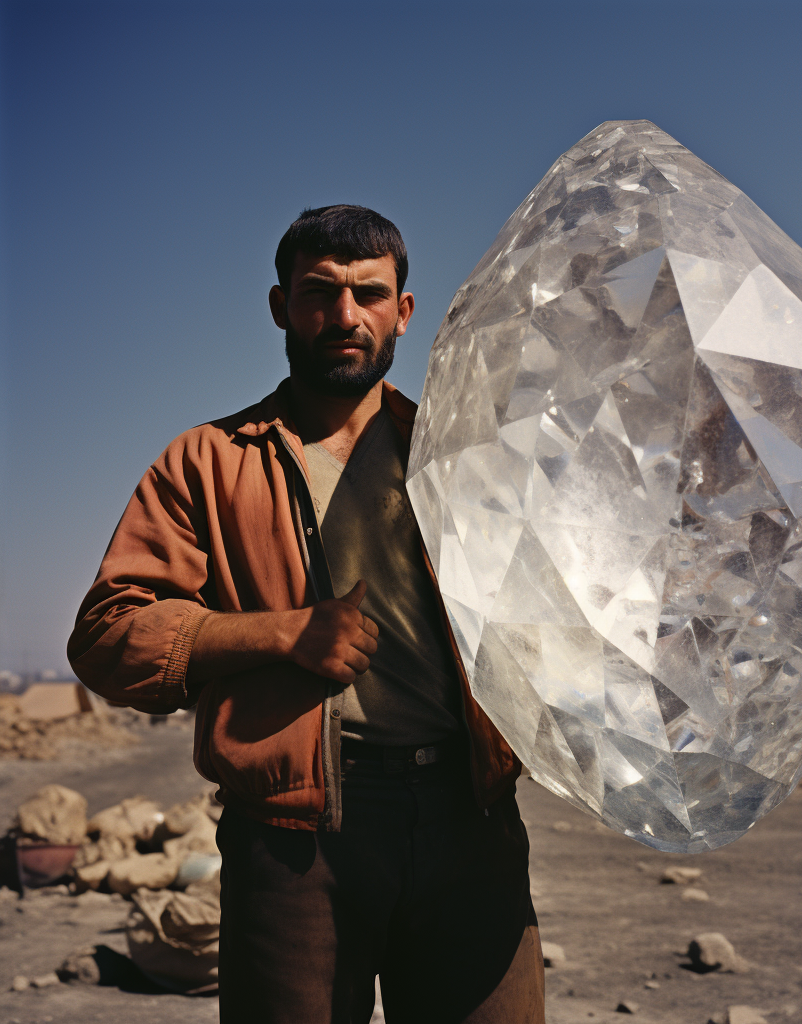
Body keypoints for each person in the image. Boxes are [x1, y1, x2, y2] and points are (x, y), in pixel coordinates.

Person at [68, 205, 545, 1024]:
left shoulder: (462, 455)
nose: (344, 315)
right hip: (297, 842)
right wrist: (281, 632)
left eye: (368, 293)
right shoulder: (207, 463)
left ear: (403, 312)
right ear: (281, 306)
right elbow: (109, 636)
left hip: (470, 822)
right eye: (320, 292)